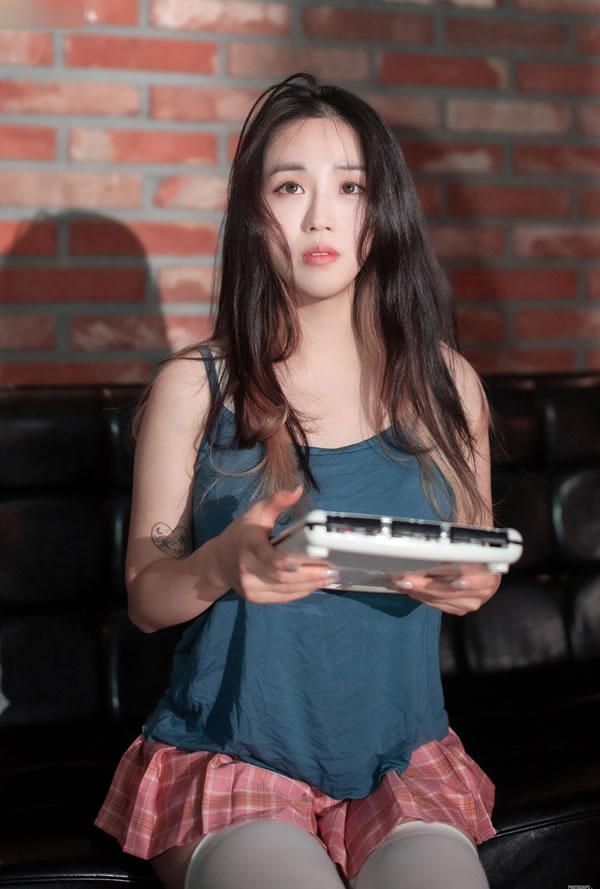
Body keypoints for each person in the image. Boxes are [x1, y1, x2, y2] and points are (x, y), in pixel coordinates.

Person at [95, 72, 500, 889]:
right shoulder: (195, 388)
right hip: (233, 754)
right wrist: (221, 563)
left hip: (401, 758)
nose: (320, 216)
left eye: (350, 187)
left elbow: (478, 556)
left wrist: (469, 581)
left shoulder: (448, 385)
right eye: (290, 187)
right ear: (255, 211)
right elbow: (146, 598)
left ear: (383, 210)